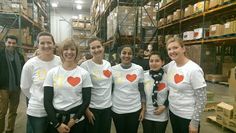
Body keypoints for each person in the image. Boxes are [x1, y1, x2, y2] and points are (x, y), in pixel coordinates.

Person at [43, 38, 92, 133]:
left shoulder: (84, 74)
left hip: (77, 120)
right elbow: (47, 101)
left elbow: (86, 100)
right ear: (61, 52)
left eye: (72, 49)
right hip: (57, 120)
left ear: (77, 52)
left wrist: (74, 119)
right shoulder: (52, 73)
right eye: (66, 49)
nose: (69, 52)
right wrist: (57, 124)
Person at [20, 32, 61, 133]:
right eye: (42, 43)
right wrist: (38, 98)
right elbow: (25, 87)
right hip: (38, 111)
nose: (46, 46)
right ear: (37, 45)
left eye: (49, 42)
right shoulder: (30, 65)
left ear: (53, 44)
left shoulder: (60, 61)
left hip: (56, 110)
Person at [164, 37, 207, 133]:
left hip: (187, 116)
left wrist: (194, 122)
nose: (172, 51)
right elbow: (157, 69)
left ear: (183, 49)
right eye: (169, 49)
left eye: (175, 48)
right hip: (173, 112)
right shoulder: (171, 65)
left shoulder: (193, 70)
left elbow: (202, 99)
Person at [80, 37, 112, 133]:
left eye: (98, 46)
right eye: (93, 48)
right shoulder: (85, 66)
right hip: (92, 108)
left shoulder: (108, 64)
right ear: (89, 50)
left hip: (107, 108)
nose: (96, 50)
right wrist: (86, 110)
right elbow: (80, 90)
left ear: (103, 47)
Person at [111, 45, 146, 133]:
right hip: (117, 109)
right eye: (124, 53)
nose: (126, 55)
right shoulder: (113, 70)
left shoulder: (138, 69)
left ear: (133, 55)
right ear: (119, 54)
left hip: (134, 109)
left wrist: (143, 109)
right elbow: (110, 90)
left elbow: (142, 90)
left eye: (129, 53)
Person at [0, 35, 25, 133]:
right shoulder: (0, 54)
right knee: (2, 112)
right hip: (3, 88)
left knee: (13, 112)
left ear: (16, 44)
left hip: (16, 88)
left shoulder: (20, 56)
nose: (11, 45)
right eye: (9, 42)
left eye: (13, 43)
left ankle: (10, 130)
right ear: (5, 43)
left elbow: (23, 70)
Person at [142, 52, 168, 133]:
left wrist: (164, 106)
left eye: (157, 61)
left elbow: (172, 95)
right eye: (151, 61)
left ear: (162, 62)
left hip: (162, 115)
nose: (154, 63)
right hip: (147, 114)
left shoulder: (168, 76)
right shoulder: (144, 75)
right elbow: (140, 93)